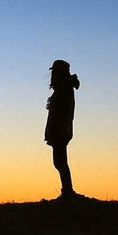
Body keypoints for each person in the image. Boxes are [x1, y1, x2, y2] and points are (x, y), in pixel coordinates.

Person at [45, 60, 80, 200]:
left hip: (60, 130)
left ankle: (67, 191)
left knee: (60, 162)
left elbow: (61, 112)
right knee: (59, 161)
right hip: (60, 129)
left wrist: (57, 130)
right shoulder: (63, 88)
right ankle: (67, 191)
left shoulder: (64, 89)